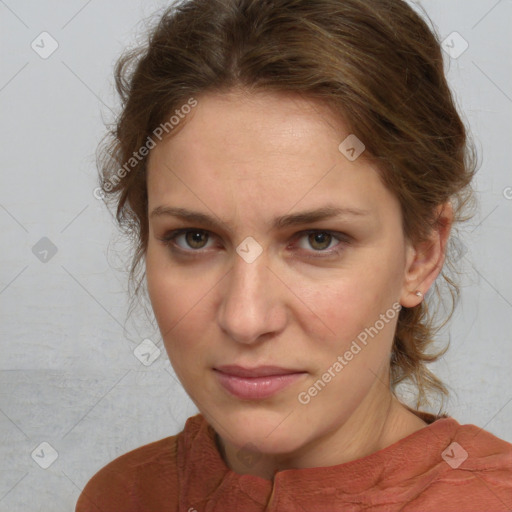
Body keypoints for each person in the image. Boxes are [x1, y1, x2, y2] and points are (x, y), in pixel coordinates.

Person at [76, 0, 512, 510]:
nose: (245, 318)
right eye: (194, 237)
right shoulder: (122, 495)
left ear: (421, 254)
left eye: (317, 239)